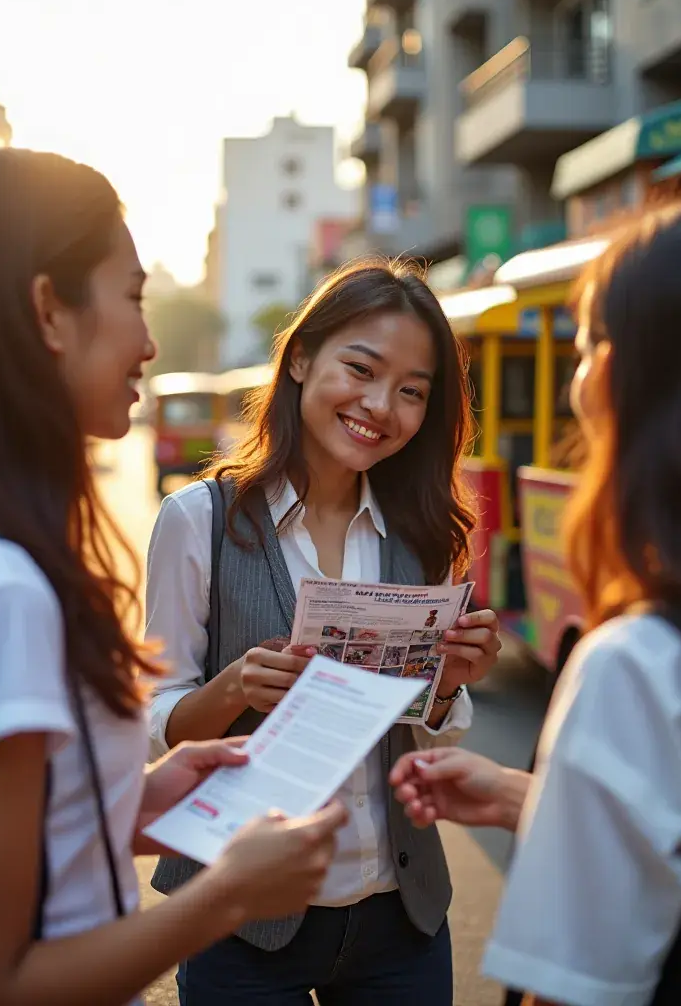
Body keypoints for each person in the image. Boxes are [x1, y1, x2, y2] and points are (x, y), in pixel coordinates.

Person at [0, 141, 349, 1006]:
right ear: (49, 310)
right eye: (132, 297)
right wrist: (227, 894)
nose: (150, 343)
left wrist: (143, 801)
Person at [389, 208, 681, 1006]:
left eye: (581, 347)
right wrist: (533, 803)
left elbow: (578, 987)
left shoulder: (641, 666)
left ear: (611, 378)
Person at [145, 260, 504, 1004]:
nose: (381, 405)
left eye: (412, 391)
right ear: (302, 358)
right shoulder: (198, 522)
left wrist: (447, 689)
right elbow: (154, 722)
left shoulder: (425, 534)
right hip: (240, 920)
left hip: (398, 916)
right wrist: (232, 687)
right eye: (361, 369)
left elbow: (425, 734)